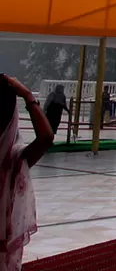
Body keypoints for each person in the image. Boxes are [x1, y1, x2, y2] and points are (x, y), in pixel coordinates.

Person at [0, 74, 54, 270]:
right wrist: (28, 96)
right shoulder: (12, 159)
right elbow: (45, 137)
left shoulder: (10, 157)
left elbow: (46, 138)